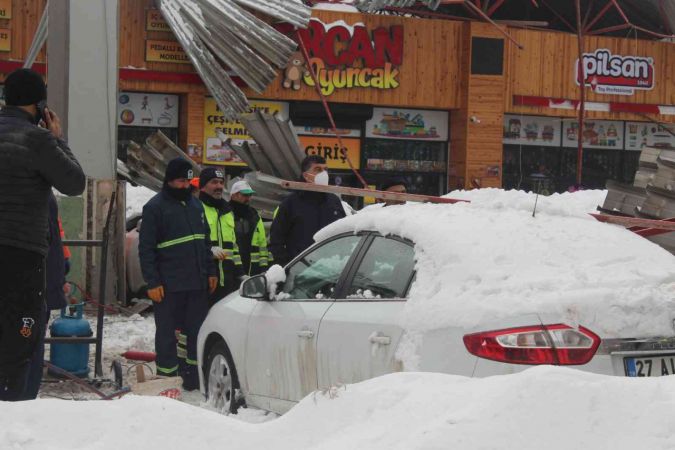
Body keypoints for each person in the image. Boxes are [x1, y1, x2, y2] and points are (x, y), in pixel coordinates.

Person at [0, 68, 85, 401]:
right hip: (22, 257)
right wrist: (58, 139)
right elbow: (74, 182)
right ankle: (14, 409)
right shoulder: (38, 140)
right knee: (21, 338)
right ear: (40, 105)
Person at [139, 158, 218, 390]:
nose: (185, 186)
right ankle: (167, 379)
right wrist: (152, 282)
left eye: (188, 181)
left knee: (194, 332)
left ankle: (192, 376)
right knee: (167, 334)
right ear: (169, 181)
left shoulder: (196, 206)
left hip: (197, 284)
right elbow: (146, 250)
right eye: (181, 181)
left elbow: (206, 243)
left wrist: (211, 271)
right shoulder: (154, 208)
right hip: (168, 285)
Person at [21, 194, 69, 400]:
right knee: (28, 347)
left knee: (29, 345)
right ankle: (21, 400)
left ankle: (21, 400)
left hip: (36, 284)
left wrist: (61, 272)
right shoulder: (39, 194)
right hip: (32, 285)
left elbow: (55, 238)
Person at [270, 155, 346, 267]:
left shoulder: (334, 201)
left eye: (325, 169)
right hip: (300, 272)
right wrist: (287, 266)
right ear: (306, 175)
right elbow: (276, 239)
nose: (324, 174)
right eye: (318, 169)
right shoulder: (291, 203)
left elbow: (343, 235)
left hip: (330, 270)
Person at [198, 168, 244, 306]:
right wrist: (208, 250)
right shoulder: (195, 209)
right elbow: (189, 243)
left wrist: (240, 273)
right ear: (203, 185)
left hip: (227, 282)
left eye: (221, 182)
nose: (218, 186)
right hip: (203, 279)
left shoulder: (227, 211)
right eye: (213, 182)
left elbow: (233, 247)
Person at [229, 180, 270, 277]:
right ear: (233, 195)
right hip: (231, 270)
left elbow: (262, 244)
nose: (248, 198)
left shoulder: (254, 215)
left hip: (252, 270)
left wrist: (264, 268)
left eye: (250, 195)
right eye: (244, 195)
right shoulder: (225, 214)